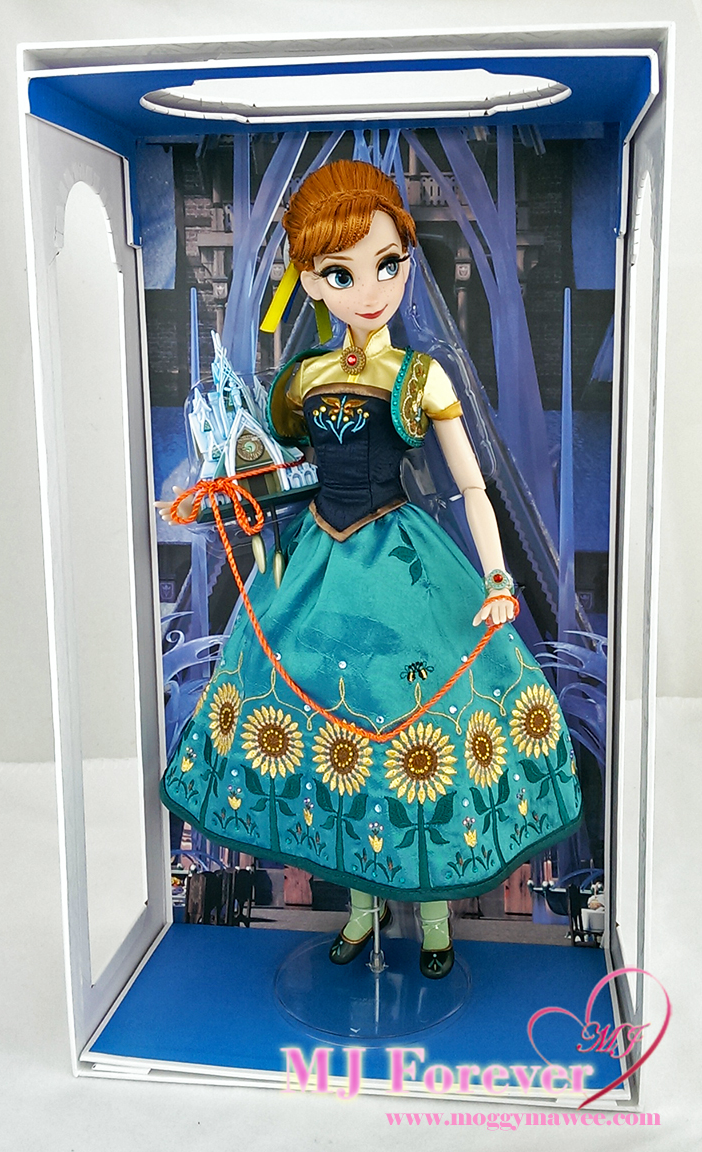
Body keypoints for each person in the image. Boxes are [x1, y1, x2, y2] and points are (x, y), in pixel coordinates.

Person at [157, 160, 581, 979]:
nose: (371, 289)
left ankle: (433, 922)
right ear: (312, 282)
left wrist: (497, 579)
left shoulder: (421, 376)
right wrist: (234, 499)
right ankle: (358, 911)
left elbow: (471, 485)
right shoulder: (303, 379)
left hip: (402, 566)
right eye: (341, 273)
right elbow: (280, 470)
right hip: (314, 566)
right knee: (332, 749)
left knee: (415, 742)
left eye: (388, 264)